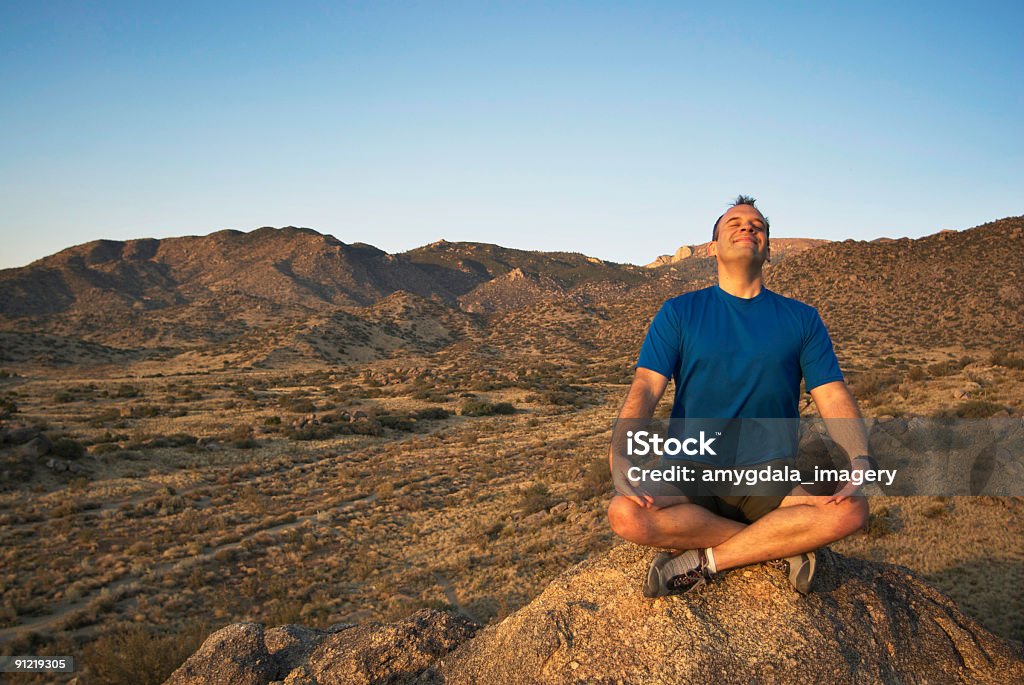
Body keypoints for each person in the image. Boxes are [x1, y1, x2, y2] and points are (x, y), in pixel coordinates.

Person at [607, 195, 872, 597]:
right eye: (735, 223)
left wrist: (859, 458)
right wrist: (619, 452)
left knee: (852, 510)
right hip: (690, 467)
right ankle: (778, 544)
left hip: (769, 473)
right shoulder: (679, 313)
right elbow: (645, 387)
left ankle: (707, 560)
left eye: (757, 225)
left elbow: (832, 394)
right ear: (712, 248)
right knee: (624, 514)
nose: (748, 227)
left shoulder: (802, 318)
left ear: (767, 249)